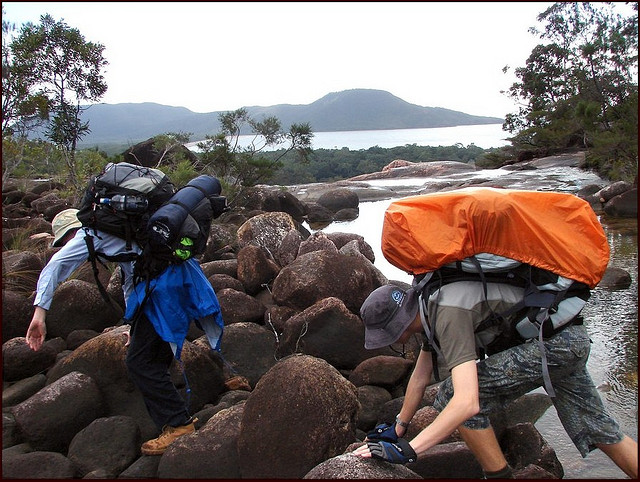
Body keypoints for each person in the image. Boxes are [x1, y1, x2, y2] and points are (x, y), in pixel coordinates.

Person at [352, 282, 638, 478]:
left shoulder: (448, 313)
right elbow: (420, 376)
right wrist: (399, 427)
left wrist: (409, 450)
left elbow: (466, 402)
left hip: (554, 347)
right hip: (566, 339)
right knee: (601, 432)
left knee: (452, 395)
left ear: (398, 326)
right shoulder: (429, 305)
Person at [26, 202, 224, 457]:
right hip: (179, 282)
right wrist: (134, 322)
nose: (66, 245)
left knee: (140, 363)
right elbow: (134, 275)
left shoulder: (90, 234)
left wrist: (39, 313)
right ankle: (177, 415)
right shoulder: (128, 233)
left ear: (71, 232)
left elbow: (56, 265)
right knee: (156, 356)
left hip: (163, 291)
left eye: (64, 240)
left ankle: (178, 424)